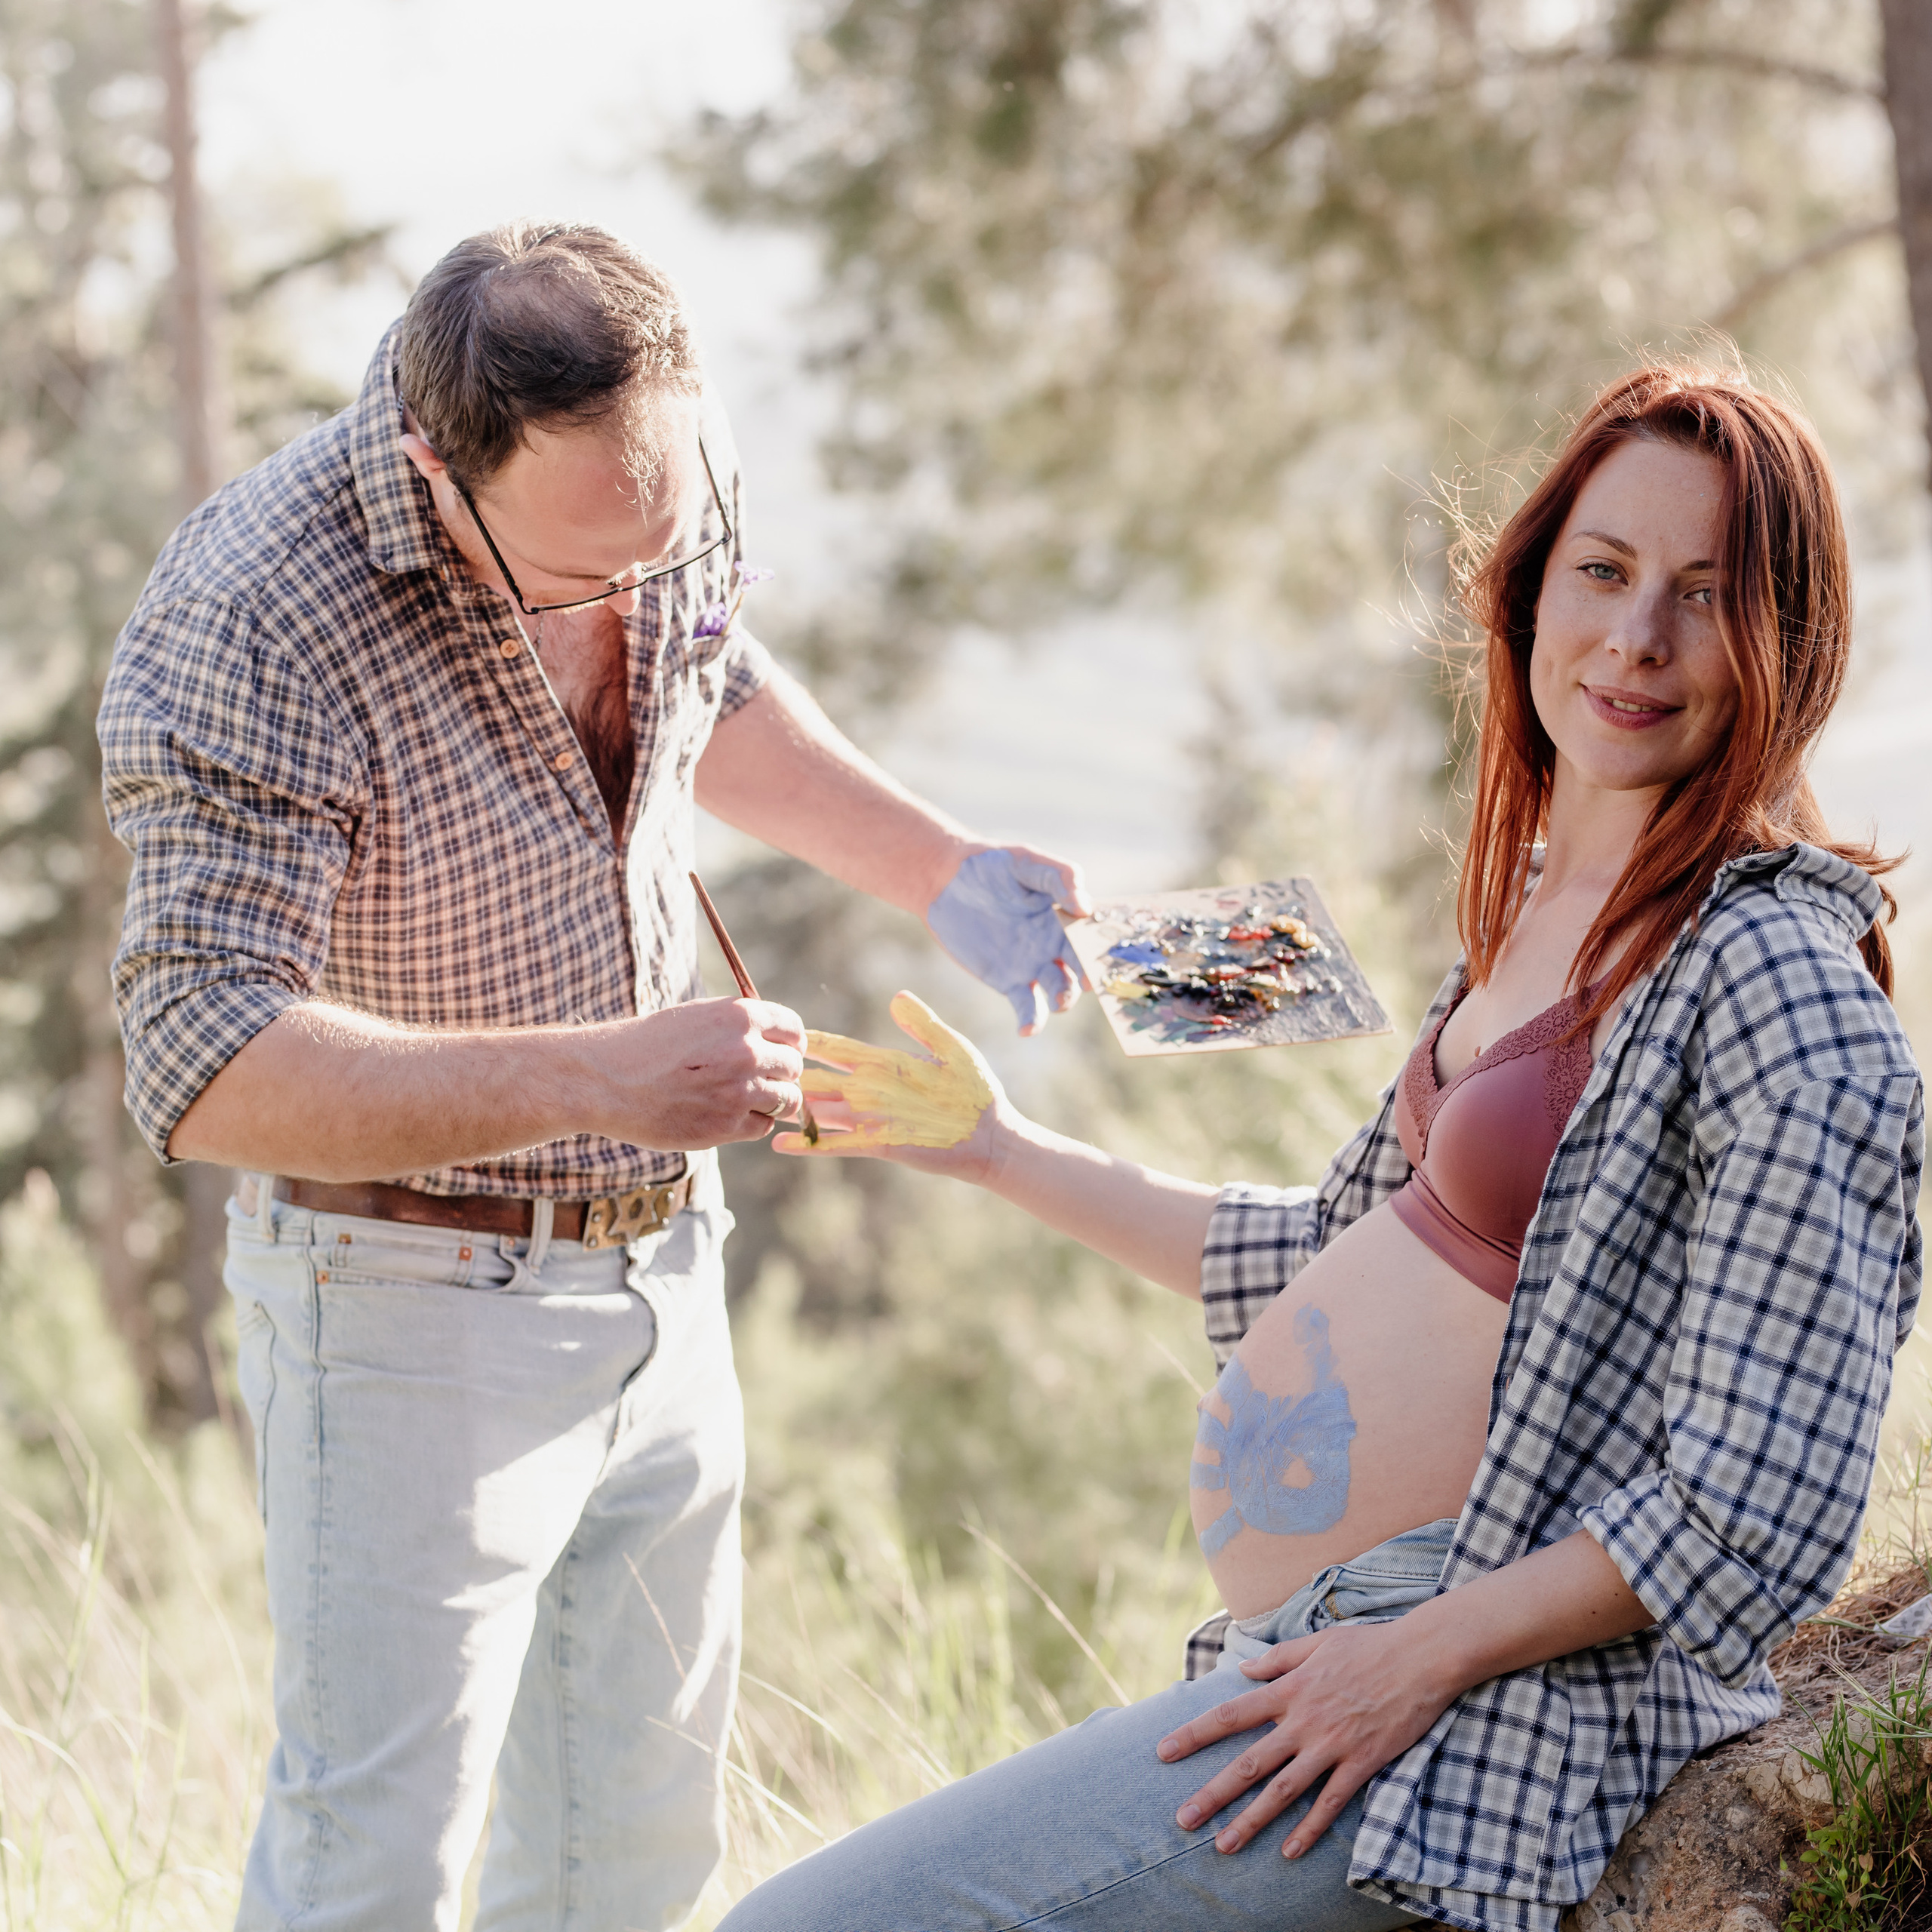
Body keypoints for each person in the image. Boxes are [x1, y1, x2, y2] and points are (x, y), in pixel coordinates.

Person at [720, 365, 1925, 1932]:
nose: (1635, 638)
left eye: (1704, 597)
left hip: (1468, 1710)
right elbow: (1324, 1253)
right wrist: (994, 1149)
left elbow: (1753, 1502)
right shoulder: (1534, 922)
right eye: (1604, 573)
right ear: (1530, 589)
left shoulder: (1773, 982)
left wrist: (1406, 1656)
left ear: (1789, 644)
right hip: (1327, 1650)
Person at [97, 221, 1091, 1932]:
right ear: (438, 471)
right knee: (371, 1872)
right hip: (403, 1299)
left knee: (630, 1869)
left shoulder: (646, 490)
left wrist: (939, 866)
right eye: (579, 574)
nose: (636, 589)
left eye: (669, 540)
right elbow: (202, 1059)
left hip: (665, 1272)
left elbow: (715, 679)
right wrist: (602, 1077)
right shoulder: (252, 609)